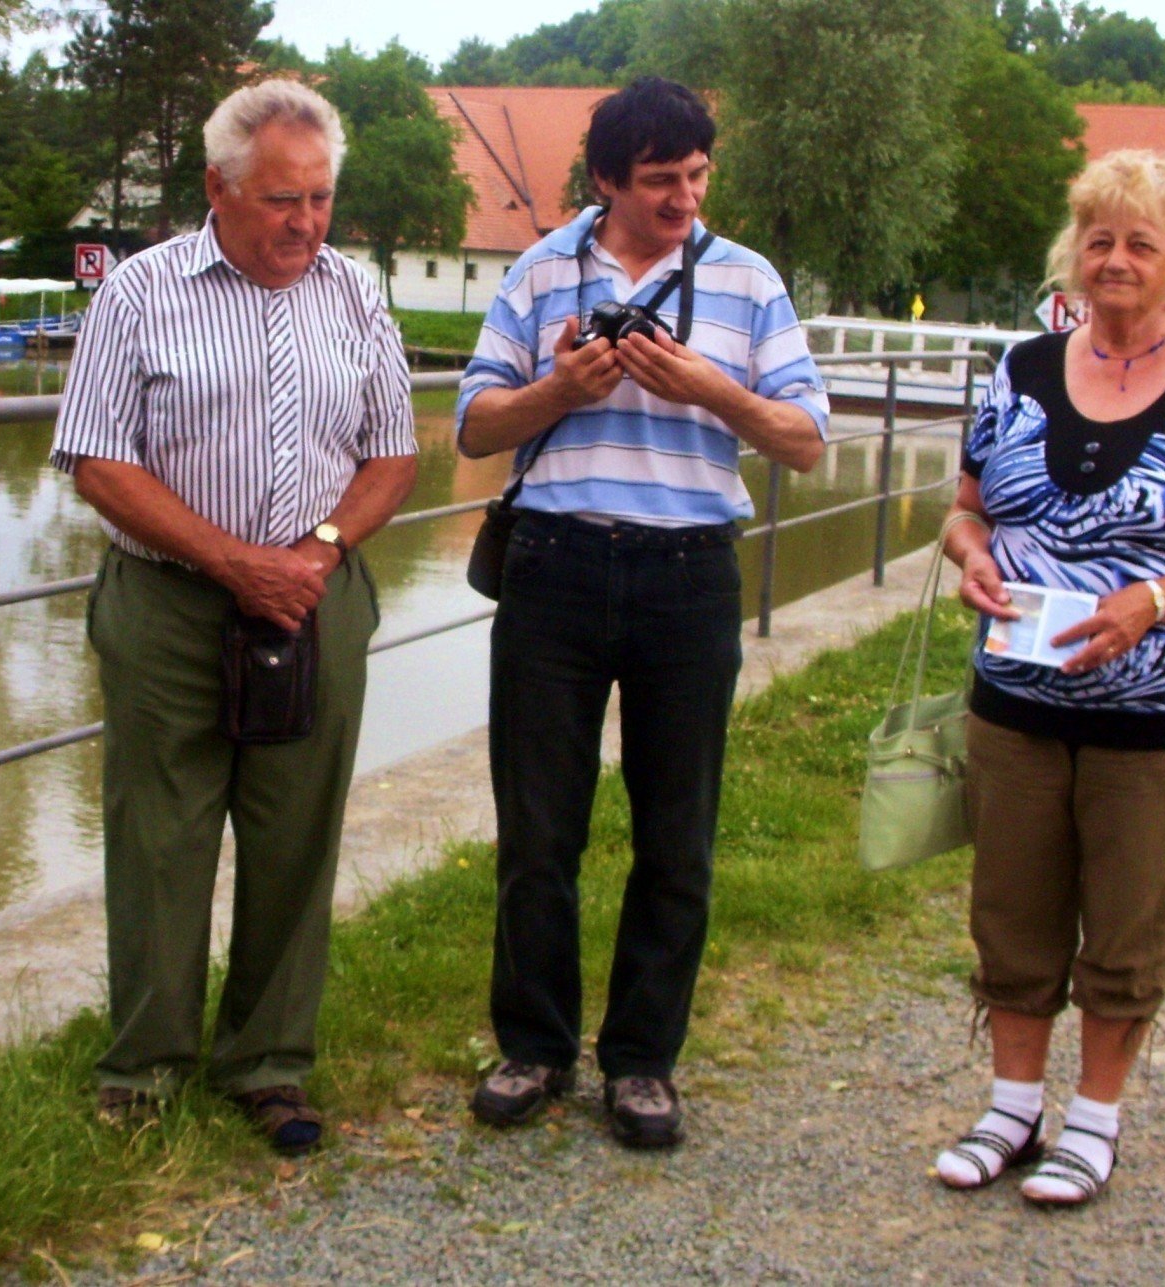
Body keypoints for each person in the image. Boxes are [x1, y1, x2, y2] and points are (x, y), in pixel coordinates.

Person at [455, 77, 828, 1148]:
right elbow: (475, 429)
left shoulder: (748, 281)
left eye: (697, 177)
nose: (682, 199)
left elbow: (805, 439)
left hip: (685, 575)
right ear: (605, 179)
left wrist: (701, 385)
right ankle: (532, 1047)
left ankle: (641, 1062)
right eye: (660, 180)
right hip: (554, 569)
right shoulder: (535, 271)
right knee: (538, 830)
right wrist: (560, 389)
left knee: (677, 835)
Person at [49, 79, 418, 1152]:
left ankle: (267, 1064)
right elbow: (99, 462)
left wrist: (315, 553)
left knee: (296, 833)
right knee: (159, 833)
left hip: (315, 601)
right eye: (279, 200)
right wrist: (232, 562)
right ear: (217, 188)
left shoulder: (355, 294)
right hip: (169, 604)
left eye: (319, 198)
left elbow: (392, 453)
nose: (304, 222)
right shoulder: (138, 294)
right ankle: (144, 1071)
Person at [933, 150, 1165, 1204]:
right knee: (1010, 911)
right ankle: (1009, 1108)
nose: (1116, 259)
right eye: (1098, 239)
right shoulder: (1017, 372)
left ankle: (1092, 1122)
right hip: (1016, 701)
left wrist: (1154, 601)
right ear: (1072, 253)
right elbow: (964, 510)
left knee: (1128, 920)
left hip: (1161, 717)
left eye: (1140, 241)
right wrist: (970, 559)